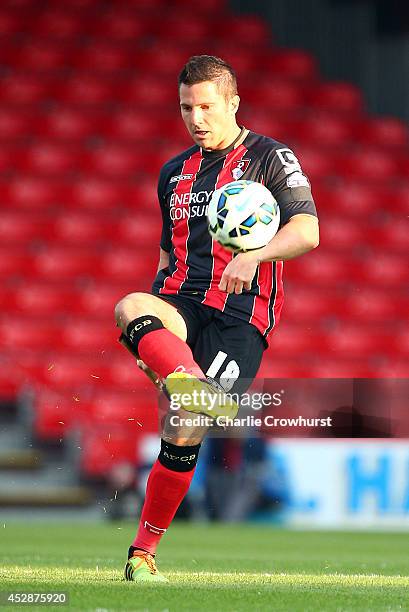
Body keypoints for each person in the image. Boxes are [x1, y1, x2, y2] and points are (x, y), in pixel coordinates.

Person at [115, 55, 319, 582]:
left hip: (240, 317)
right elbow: (166, 258)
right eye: (186, 108)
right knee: (130, 306)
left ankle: (144, 550)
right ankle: (188, 379)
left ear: (233, 102)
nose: (196, 118)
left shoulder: (272, 157)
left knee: (184, 429)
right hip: (183, 303)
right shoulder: (172, 174)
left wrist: (256, 255)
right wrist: (152, 339)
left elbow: (308, 231)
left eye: (207, 106)